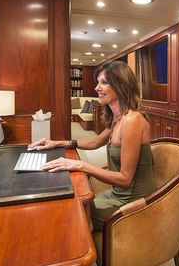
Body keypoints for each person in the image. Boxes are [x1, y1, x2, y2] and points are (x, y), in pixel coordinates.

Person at [28, 61, 157, 232]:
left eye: (104, 82)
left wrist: (81, 165)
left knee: (69, 213)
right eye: (98, 82)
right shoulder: (119, 118)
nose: (97, 87)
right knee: (72, 202)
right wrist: (57, 143)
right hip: (117, 194)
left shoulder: (132, 120)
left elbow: (125, 179)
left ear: (121, 85)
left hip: (132, 201)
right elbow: (95, 142)